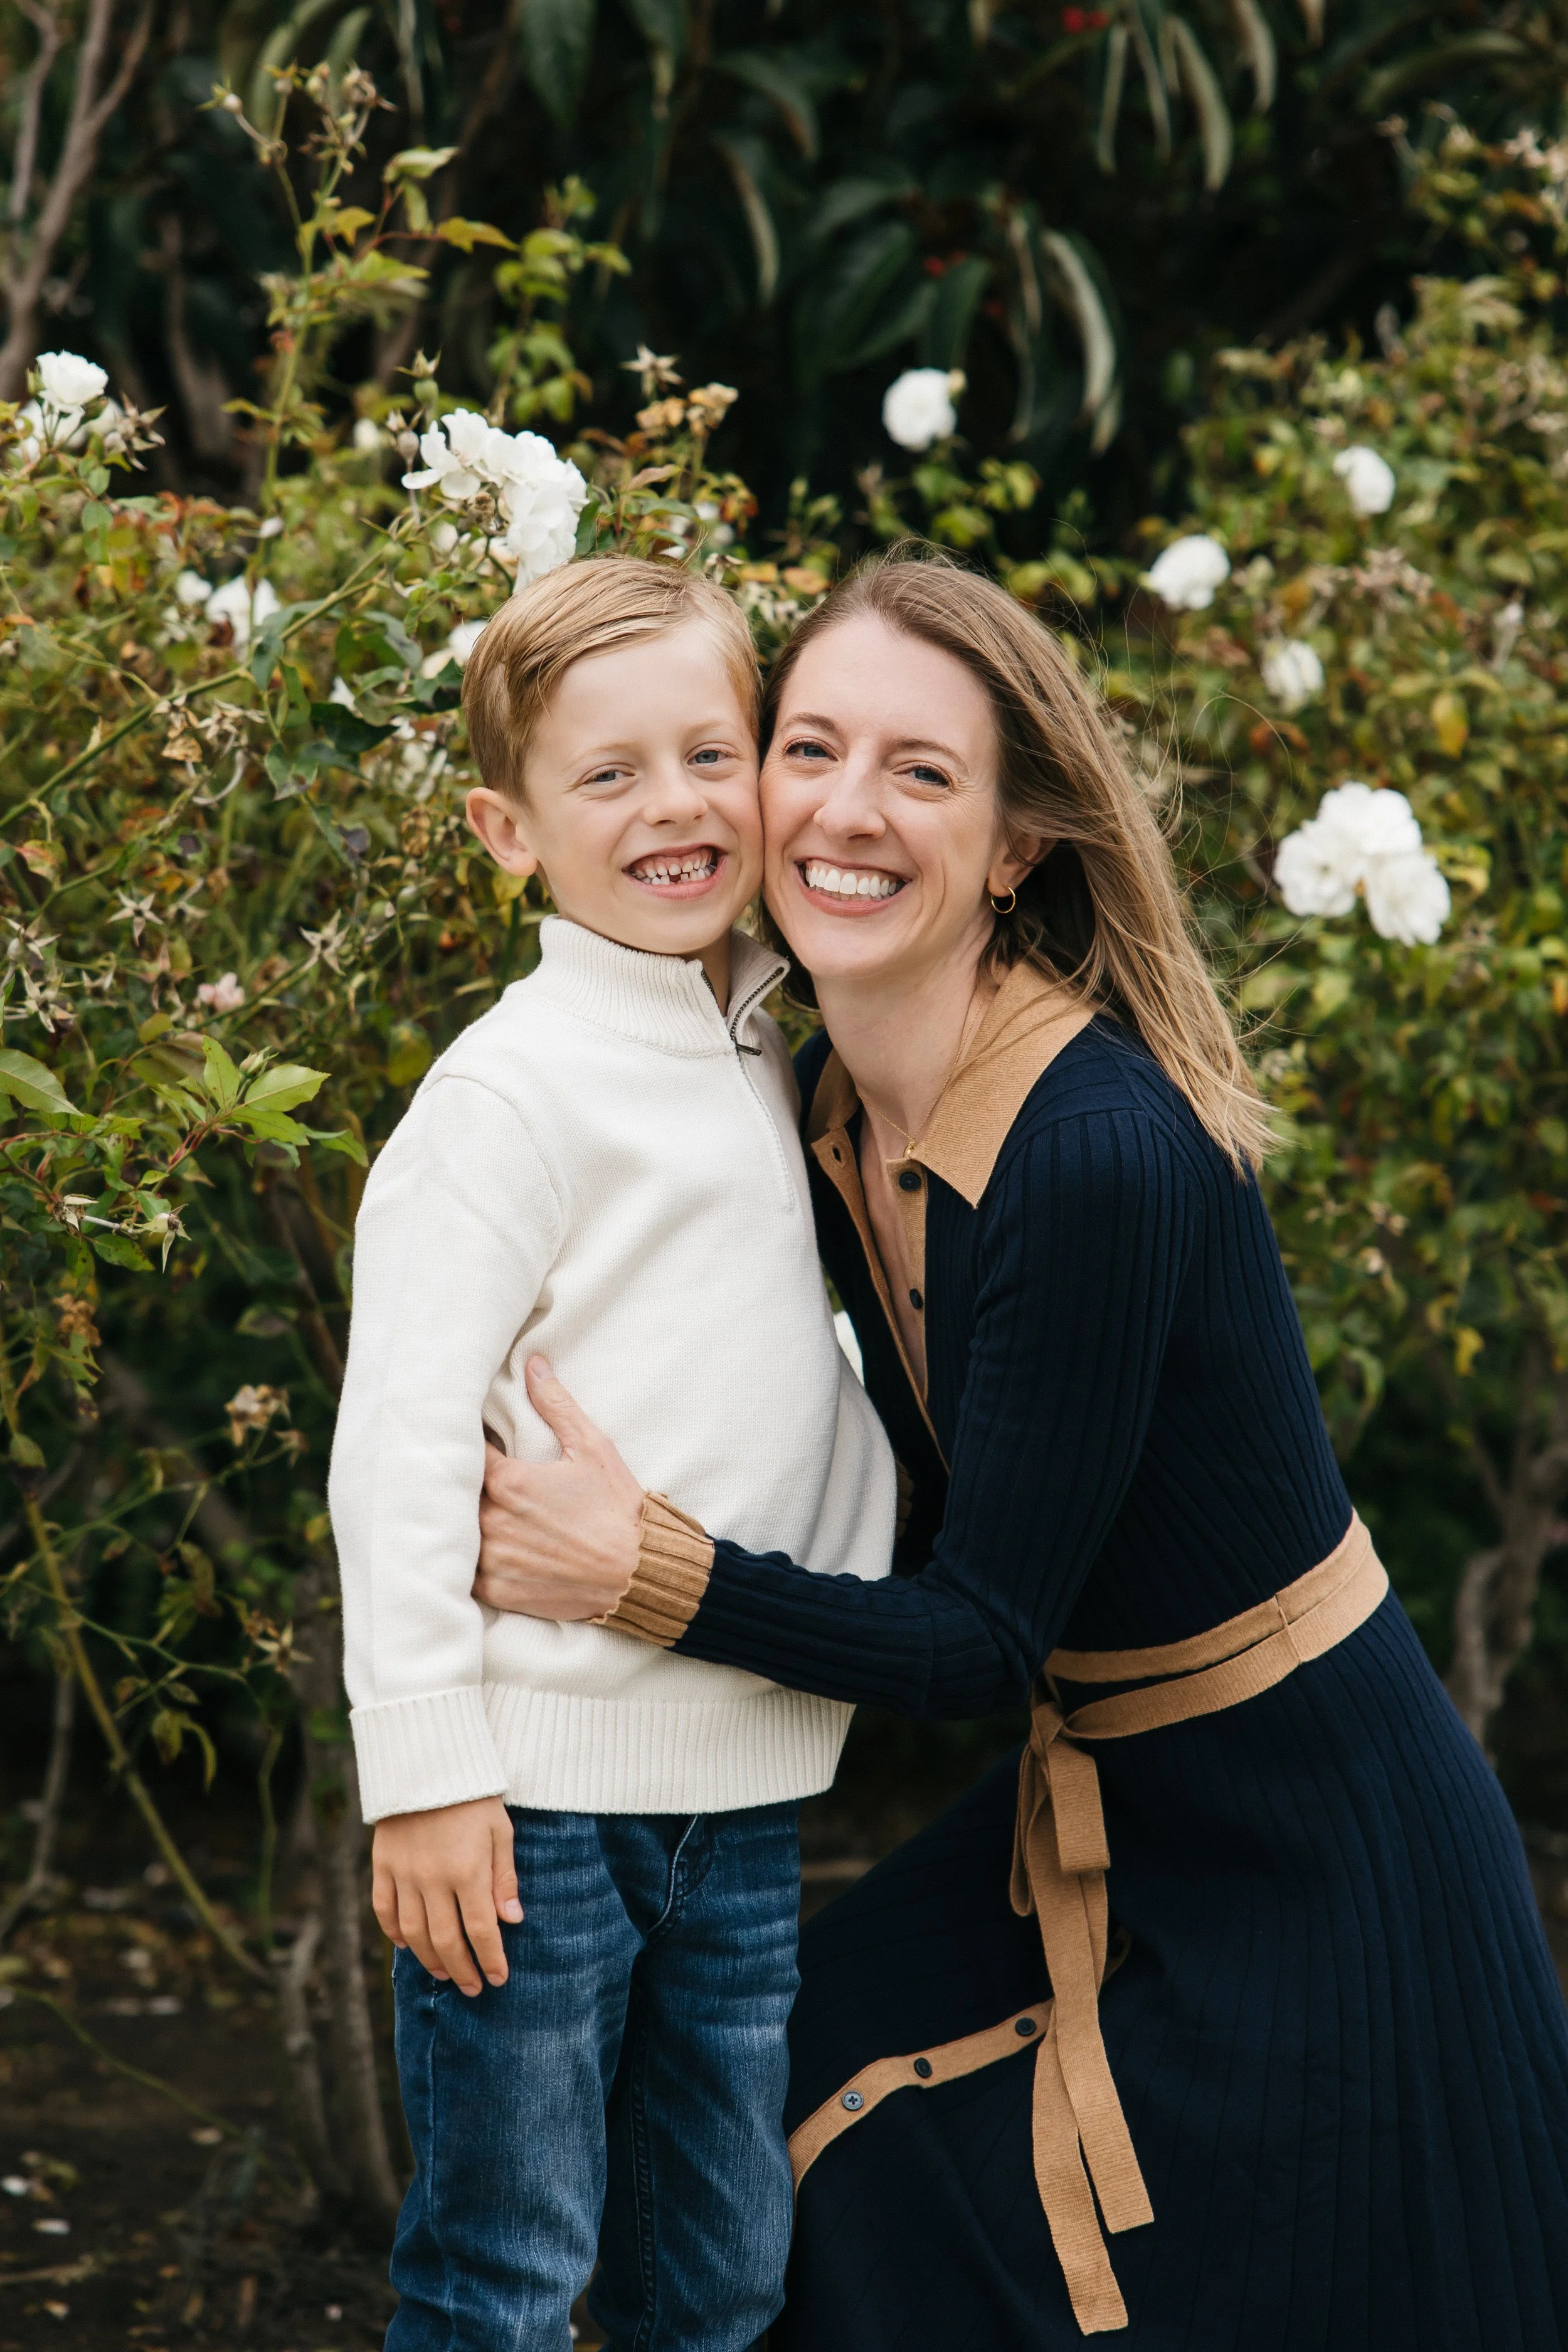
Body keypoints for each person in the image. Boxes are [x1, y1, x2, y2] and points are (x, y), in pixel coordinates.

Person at [470, 551, 1568, 2350]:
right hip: (1118, 1790)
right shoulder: (825, 1097)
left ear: (1014, 843)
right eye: (807, 745)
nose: (841, 807)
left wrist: (641, 1567)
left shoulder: (1088, 1153)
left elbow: (977, 1635)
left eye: (920, 770)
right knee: (757, 2066)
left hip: (1317, 1852)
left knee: (951, 2210)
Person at [327, 555, 896, 2352]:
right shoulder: (511, 1091)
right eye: (606, 773)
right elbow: (397, 1437)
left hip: (736, 1790)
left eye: (705, 752)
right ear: (508, 829)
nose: (671, 805)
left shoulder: (762, 1040)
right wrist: (421, 1772)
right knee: (504, 2267)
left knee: (717, 2265)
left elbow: (786, 1374)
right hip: (532, 1808)